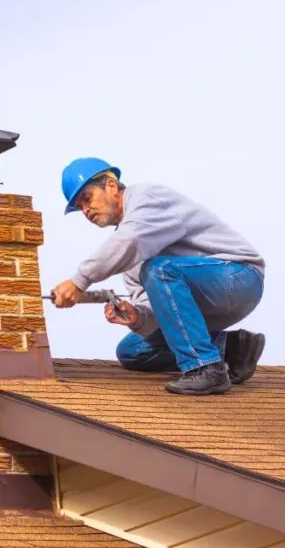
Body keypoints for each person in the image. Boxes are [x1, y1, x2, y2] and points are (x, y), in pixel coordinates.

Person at [50, 157, 266, 395]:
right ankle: (234, 349)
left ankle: (206, 369)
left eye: (87, 198)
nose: (85, 210)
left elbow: (129, 241)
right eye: (79, 207)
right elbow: (155, 309)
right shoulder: (131, 254)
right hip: (207, 300)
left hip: (240, 277)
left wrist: (79, 281)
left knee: (159, 270)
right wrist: (138, 317)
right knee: (133, 351)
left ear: (111, 186)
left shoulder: (147, 199)